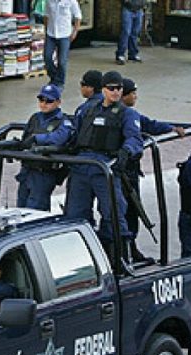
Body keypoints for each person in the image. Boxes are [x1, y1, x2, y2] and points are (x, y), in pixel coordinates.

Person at [65, 70, 133, 262]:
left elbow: (134, 138)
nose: (116, 92)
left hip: (105, 168)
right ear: (103, 89)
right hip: (81, 166)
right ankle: (79, 260)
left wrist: (126, 151)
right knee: (75, 216)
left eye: (119, 88)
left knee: (113, 215)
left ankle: (119, 262)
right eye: (111, 88)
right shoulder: (88, 110)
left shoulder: (126, 113)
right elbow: (73, 134)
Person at [118, 77, 185, 258]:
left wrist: (171, 128)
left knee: (131, 211)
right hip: (121, 173)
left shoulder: (129, 114)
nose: (135, 96)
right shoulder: (121, 114)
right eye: (133, 93)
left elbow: (149, 124)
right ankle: (124, 251)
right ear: (123, 95)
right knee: (125, 212)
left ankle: (129, 248)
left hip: (127, 172)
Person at [16, 84, 74, 211]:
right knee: (20, 208)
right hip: (27, 170)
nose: (44, 103)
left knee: (35, 211)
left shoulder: (63, 121)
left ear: (58, 102)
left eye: (49, 101)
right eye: (41, 100)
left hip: (44, 172)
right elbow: (25, 139)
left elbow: (59, 138)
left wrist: (38, 138)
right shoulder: (35, 118)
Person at [43, 0, 82, 88]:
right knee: (47, 57)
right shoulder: (49, 1)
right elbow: (46, 15)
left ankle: (60, 82)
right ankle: (54, 78)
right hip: (51, 33)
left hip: (65, 34)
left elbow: (78, 16)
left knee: (62, 61)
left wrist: (75, 32)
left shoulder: (71, 1)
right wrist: (45, 30)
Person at [116, 0, 145, 64]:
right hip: (128, 8)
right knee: (126, 31)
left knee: (135, 32)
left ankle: (133, 54)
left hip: (139, 9)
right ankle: (120, 54)